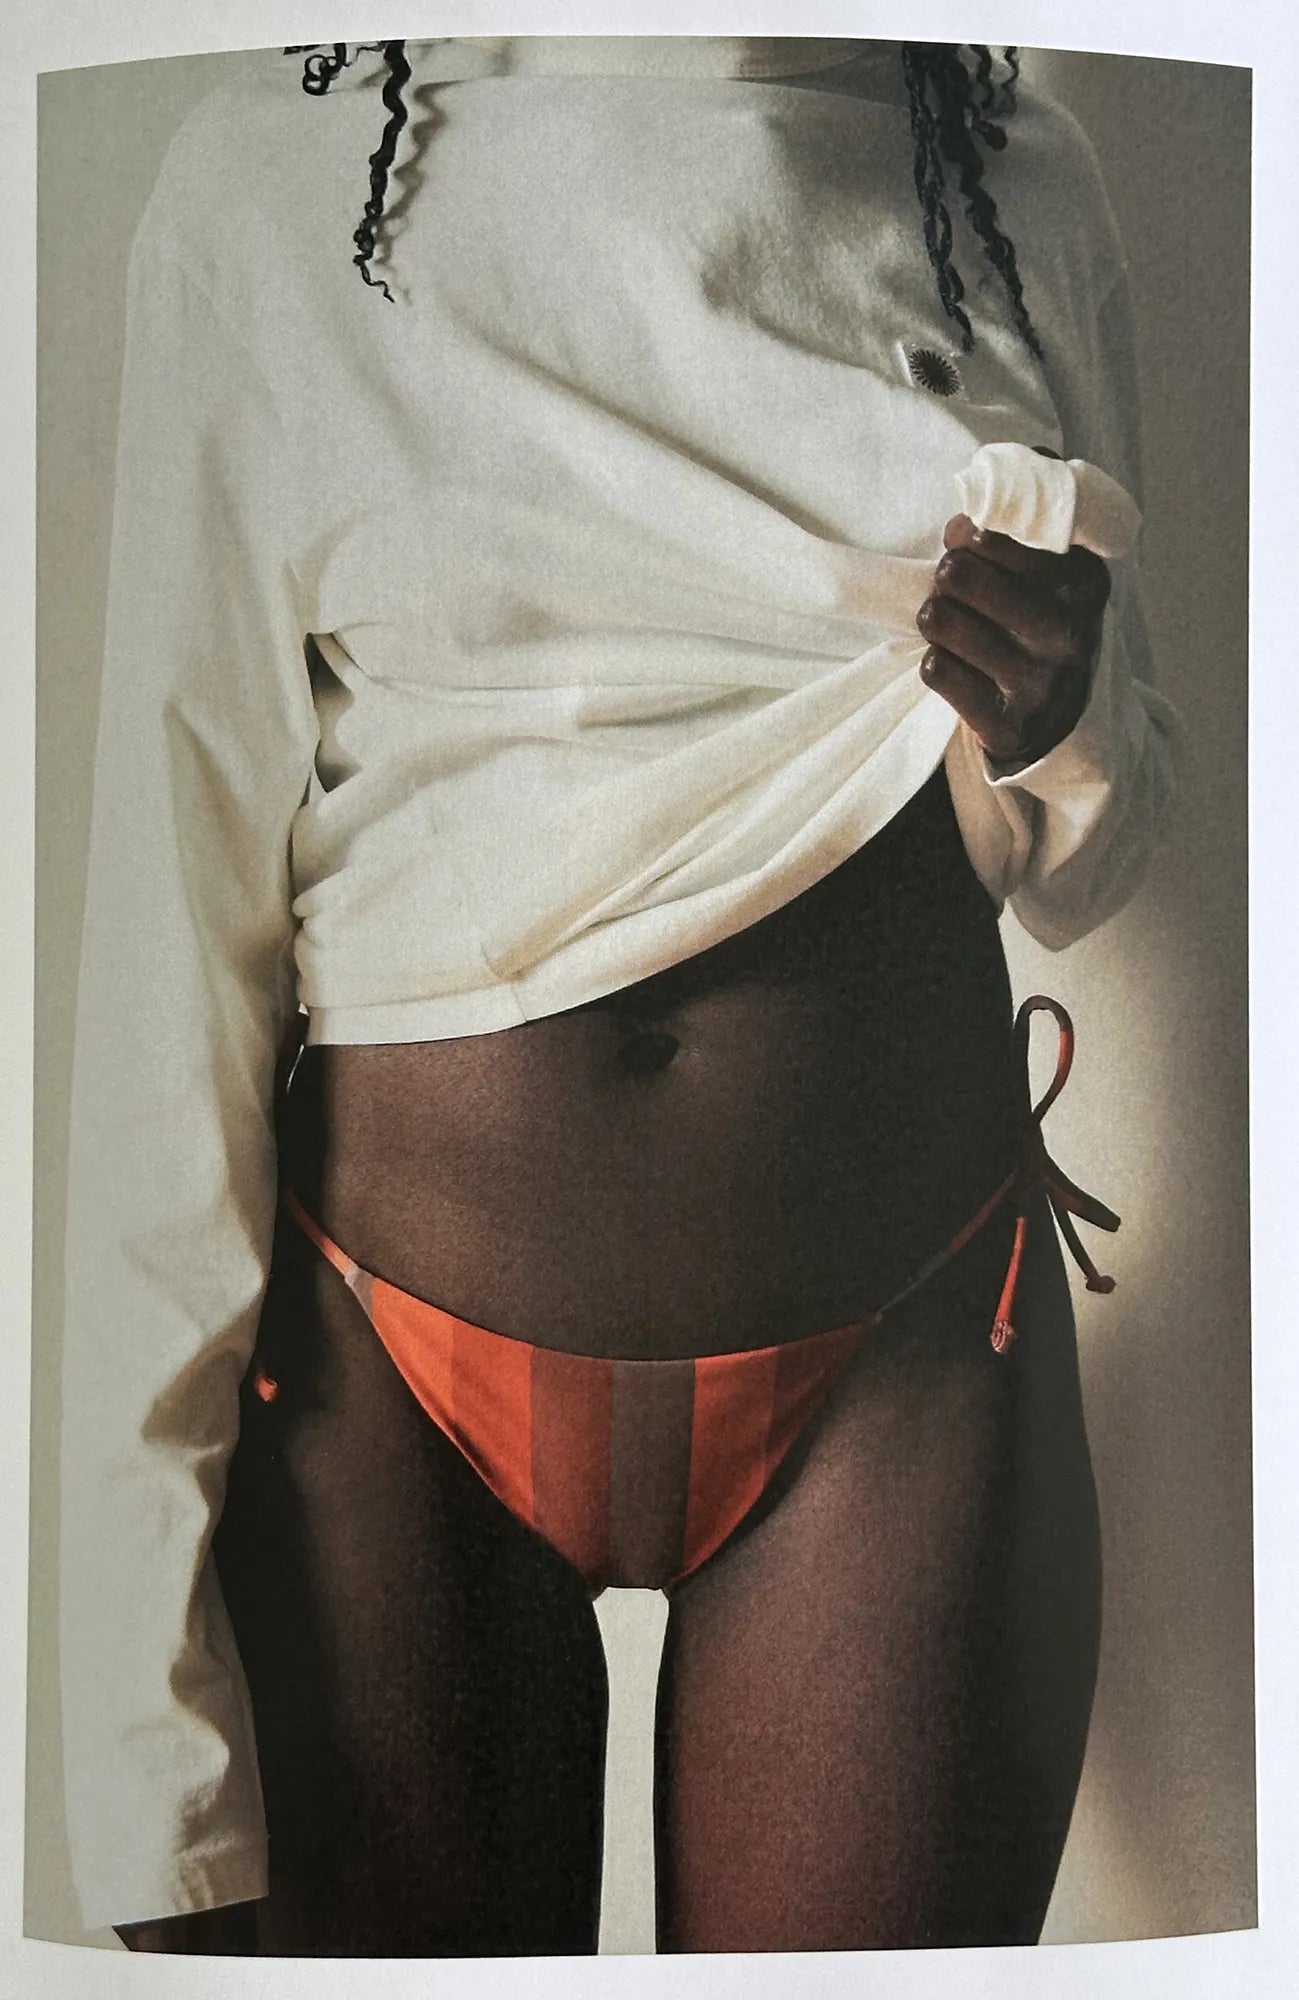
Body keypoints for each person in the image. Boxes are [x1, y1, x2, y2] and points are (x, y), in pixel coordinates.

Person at [59, 35, 1177, 1956]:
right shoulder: (278, 186)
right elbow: (172, 921)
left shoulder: (1007, 182)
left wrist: (1061, 726)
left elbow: (1102, 848)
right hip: (383, 1376)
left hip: (906, 1360)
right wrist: (135, 1744)